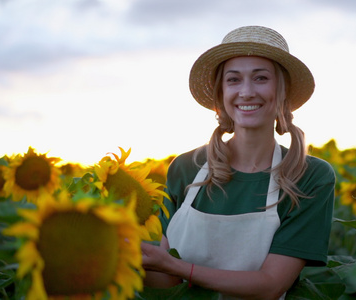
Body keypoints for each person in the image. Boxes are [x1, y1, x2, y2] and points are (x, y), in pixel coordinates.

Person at [141, 25, 336, 300]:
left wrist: (175, 266)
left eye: (260, 78)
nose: (246, 92)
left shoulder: (309, 176)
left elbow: (270, 285)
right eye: (233, 80)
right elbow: (166, 280)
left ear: (283, 90)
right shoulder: (186, 167)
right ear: (221, 94)